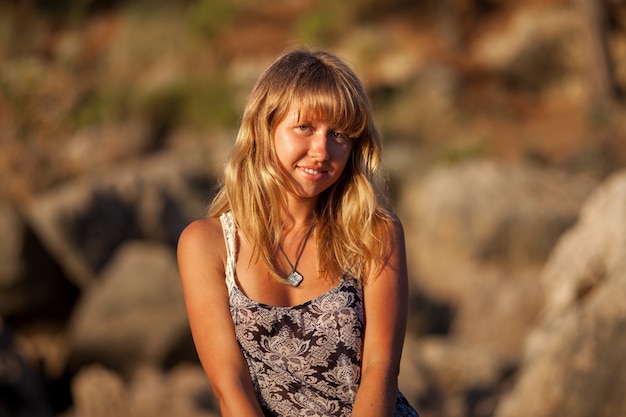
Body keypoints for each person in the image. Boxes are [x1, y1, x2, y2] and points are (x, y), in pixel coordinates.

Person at [177, 48, 419, 417]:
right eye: (304, 127)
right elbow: (230, 386)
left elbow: (380, 368)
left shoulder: (374, 233)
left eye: (339, 134)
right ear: (264, 128)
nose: (322, 150)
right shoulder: (207, 245)